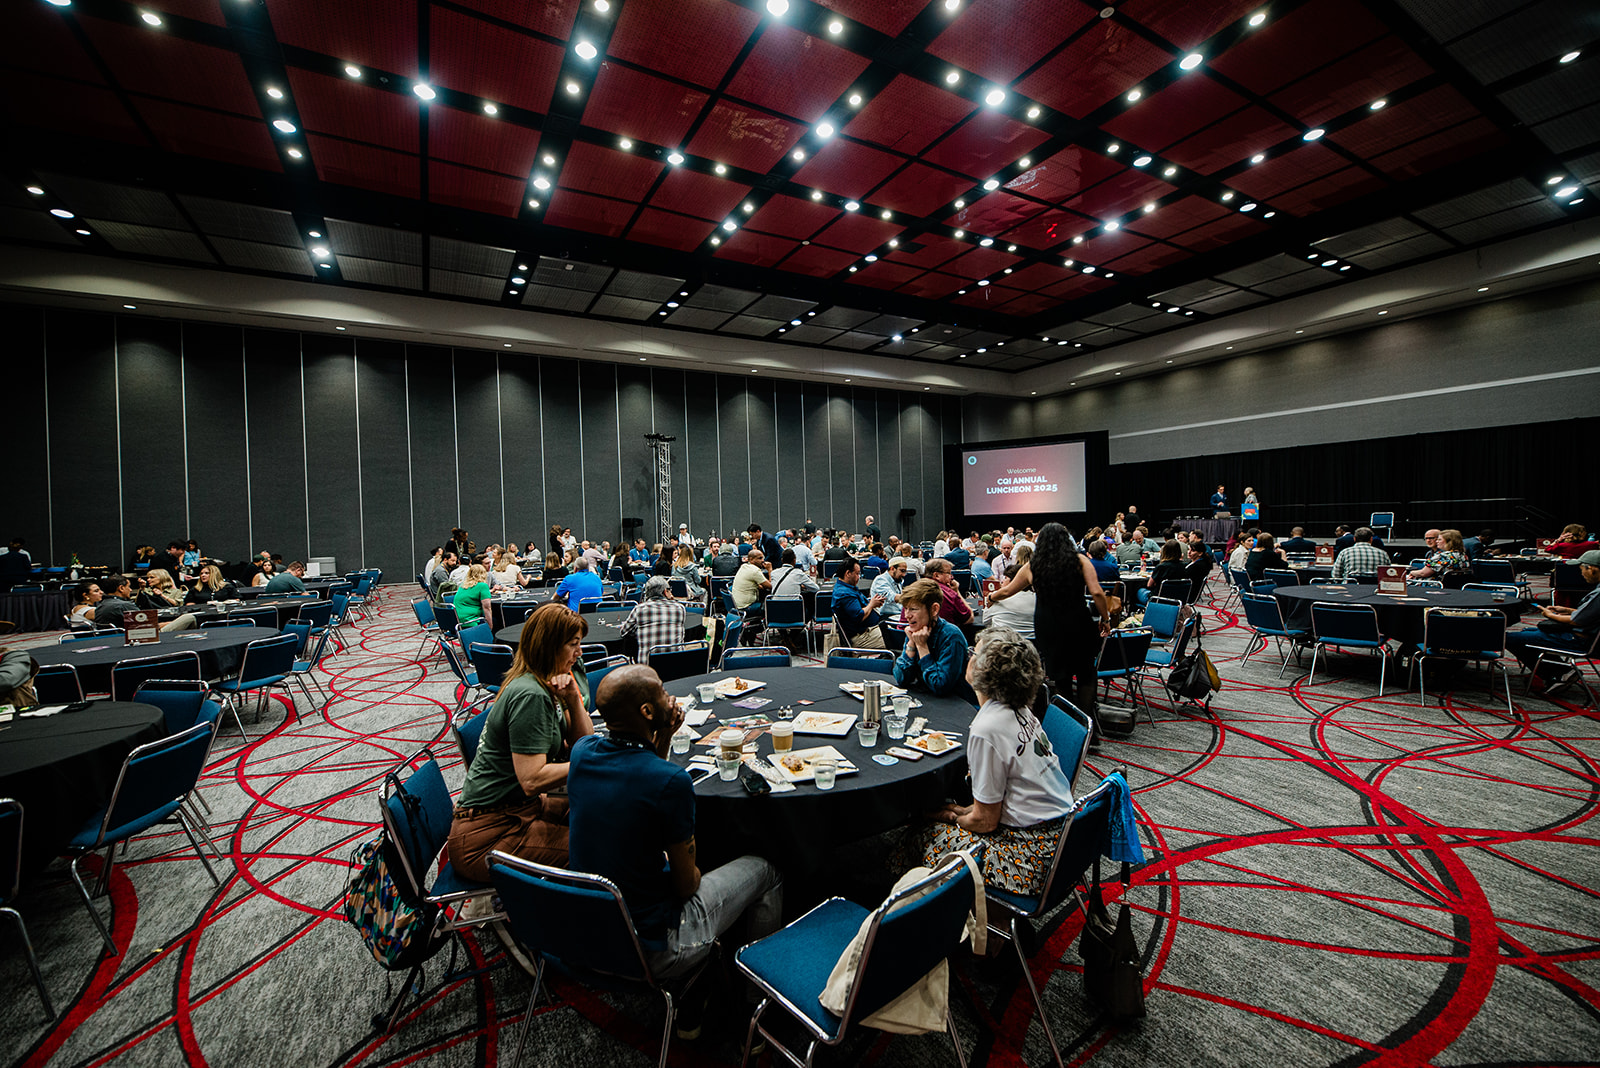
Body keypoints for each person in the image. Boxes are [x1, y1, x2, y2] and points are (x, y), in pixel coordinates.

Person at [567, 664, 782, 986]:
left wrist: (664, 733)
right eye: (664, 692)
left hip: (589, 935)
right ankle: (757, 996)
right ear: (647, 710)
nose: (671, 698)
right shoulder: (672, 782)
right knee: (766, 869)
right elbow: (686, 886)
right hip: (654, 948)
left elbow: (644, 779)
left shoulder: (582, 753)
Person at [913, 626, 1074, 894]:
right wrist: (961, 811)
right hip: (1065, 839)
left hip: (1030, 857)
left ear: (982, 670)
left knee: (920, 836)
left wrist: (952, 818)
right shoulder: (1021, 710)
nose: (969, 656)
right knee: (948, 811)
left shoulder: (986, 728)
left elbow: (986, 822)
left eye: (973, 652)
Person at [447, 603, 595, 882]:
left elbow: (582, 743)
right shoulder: (531, 695)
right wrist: (592, 761)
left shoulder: (543, 683)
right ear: (550, 646)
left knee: (599, 808)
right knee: (599, 846)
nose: (580, 652)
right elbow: (532, 779)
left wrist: (573, 699)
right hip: (487, 836)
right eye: (574, 644)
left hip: (518, 810)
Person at [988, 522, 1110, 731]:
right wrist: (1105, 619)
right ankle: (1088, 728)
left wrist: (991, 596)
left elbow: (1008, 591)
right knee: (1086, 675)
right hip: (1078, 622)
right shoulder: (1079, 560)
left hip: (1049, 626)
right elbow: (1097, 592)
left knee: (1060, 678)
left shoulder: (1033, 566)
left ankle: (1069, 728)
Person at [1505, 550, 1600, 691]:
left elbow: (1577, 621)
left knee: (1508, 638)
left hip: (1577, 640)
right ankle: (1557, 670)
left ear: (1591, 569)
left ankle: (1559, 673)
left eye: (1581, 570)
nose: (1581, 574)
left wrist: (1549, 614)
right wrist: (1568, 610)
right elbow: (1590, 615)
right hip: (1585, 637)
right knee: (1528, 631)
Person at [892, 579, 970, 698]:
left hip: (955, 705)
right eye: (905, 609)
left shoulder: (951, 636)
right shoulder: (916, 631)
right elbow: (900, 679)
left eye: (913, 609)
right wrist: (911, 645)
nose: (907, 615)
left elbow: (940, 686)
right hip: (925, 699)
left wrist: (922, 647)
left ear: (934, 609)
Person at [618, 577, 686, 664]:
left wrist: (639, 630)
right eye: (669, 590)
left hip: (648, 668)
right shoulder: (679, 608)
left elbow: (624, 632)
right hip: (676, 663)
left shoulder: (639, 609)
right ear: (665, 591)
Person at [93, 574, 195, 631]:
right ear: (121, 588)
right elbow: (147, 627)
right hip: (143, 637)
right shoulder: (124, 605)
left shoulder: (101, 605)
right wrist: (170, 623)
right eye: (129, 587)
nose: (130, 590)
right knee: (189, 617)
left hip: (117, 637)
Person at [829, 557, 887, 650]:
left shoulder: (847, 587)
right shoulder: (845, 593)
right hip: (861, 636)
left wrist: (873, 603)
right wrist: (871, 605)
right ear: (848, 573)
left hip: (869, 629)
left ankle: (885, 659)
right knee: (897, 638)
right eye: (857, 574)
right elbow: (859, 616)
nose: (859, 577)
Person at [984, 563, 1035, 637]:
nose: (1002, 581)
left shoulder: (996, 598)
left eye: (1005, 578)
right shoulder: (1038, 600)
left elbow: (986, 622)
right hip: (1032, 646)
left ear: (1014, 581)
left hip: (1001, 644)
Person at [922, 558, 974, 626]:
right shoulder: (949, 594)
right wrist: (956, 591)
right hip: (943, 635)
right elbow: (970, 618)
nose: (951, 577)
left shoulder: (914, 588)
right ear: (936, 575)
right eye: (948, 573)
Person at [1141, 540, 1189, 604]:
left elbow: (1149, 585)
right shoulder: (1184, 566)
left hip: (1159, 598)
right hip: (1178, 598)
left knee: (1139, 591)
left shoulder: (1161, 567)